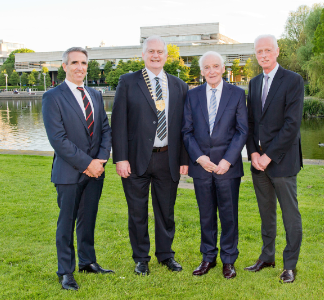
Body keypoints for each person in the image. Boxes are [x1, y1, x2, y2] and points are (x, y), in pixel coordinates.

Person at [111, 35, 189, 276]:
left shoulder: (178, 85)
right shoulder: (128, 81)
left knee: (166, 211)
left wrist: (184, 159)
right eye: (151, 51)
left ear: (167, 56)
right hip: (135, 159)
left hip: (169, 158)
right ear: (143, 55)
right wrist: (120, 158)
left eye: (160, 52)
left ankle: (166, 255)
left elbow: (185, 126)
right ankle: (141, 258)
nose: (155, 55)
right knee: (137, 211)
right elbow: (118, 122)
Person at [42, 47, 113, 291]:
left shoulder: (95, 94)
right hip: (69, 172)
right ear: (64, 66)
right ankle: (65, 272)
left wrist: (101, 160)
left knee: (88, 219)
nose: (79, 67)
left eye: (83, 62)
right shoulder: (53, 97)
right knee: (66, 223)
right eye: (74, 62)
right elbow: (58, 139)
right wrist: (87, 164)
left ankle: (87, 261)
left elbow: (105, 129)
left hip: (96, 171)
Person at [182, 51, 248, 279]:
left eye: (215, 66)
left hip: (227, 167)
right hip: (202, 166)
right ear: (202, 72)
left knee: (229, 215)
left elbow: (242, 131)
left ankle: (228, 260)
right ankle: (208, 257)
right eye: (207, 67)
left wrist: (227, 160)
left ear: (223, 69)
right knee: (206, 215)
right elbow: (187, 132)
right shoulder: (192, 96)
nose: (211, 71)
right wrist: (199, 157)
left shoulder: (238, 94)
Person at [245, 34, 304, 283]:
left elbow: (292, 125)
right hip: (259, 164)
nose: (264, 55)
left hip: (282, 161)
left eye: (268, 50)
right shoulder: (254, 82)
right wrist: (254, 153)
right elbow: (249, 122)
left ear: (277, 51)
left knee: (290, 215)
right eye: (259, 51)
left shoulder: (293, 81)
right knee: (266, 213)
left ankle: (289, 264)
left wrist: (268, 155)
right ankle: (267, 257)